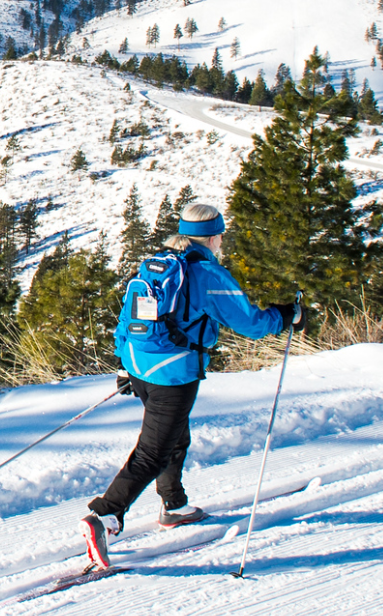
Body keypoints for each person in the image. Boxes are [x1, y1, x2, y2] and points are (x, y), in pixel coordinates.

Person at [80, 202, 304, 568]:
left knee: (173, 435)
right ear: (215, 237)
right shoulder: (207, 274)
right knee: (152, 452)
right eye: (221, 237)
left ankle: (174, 504)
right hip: (173, 374)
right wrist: (285, 315)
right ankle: (105, 515)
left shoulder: (157, 265)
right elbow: (251, 324)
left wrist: (123, 366)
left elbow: (128, 316)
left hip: (139, 366)